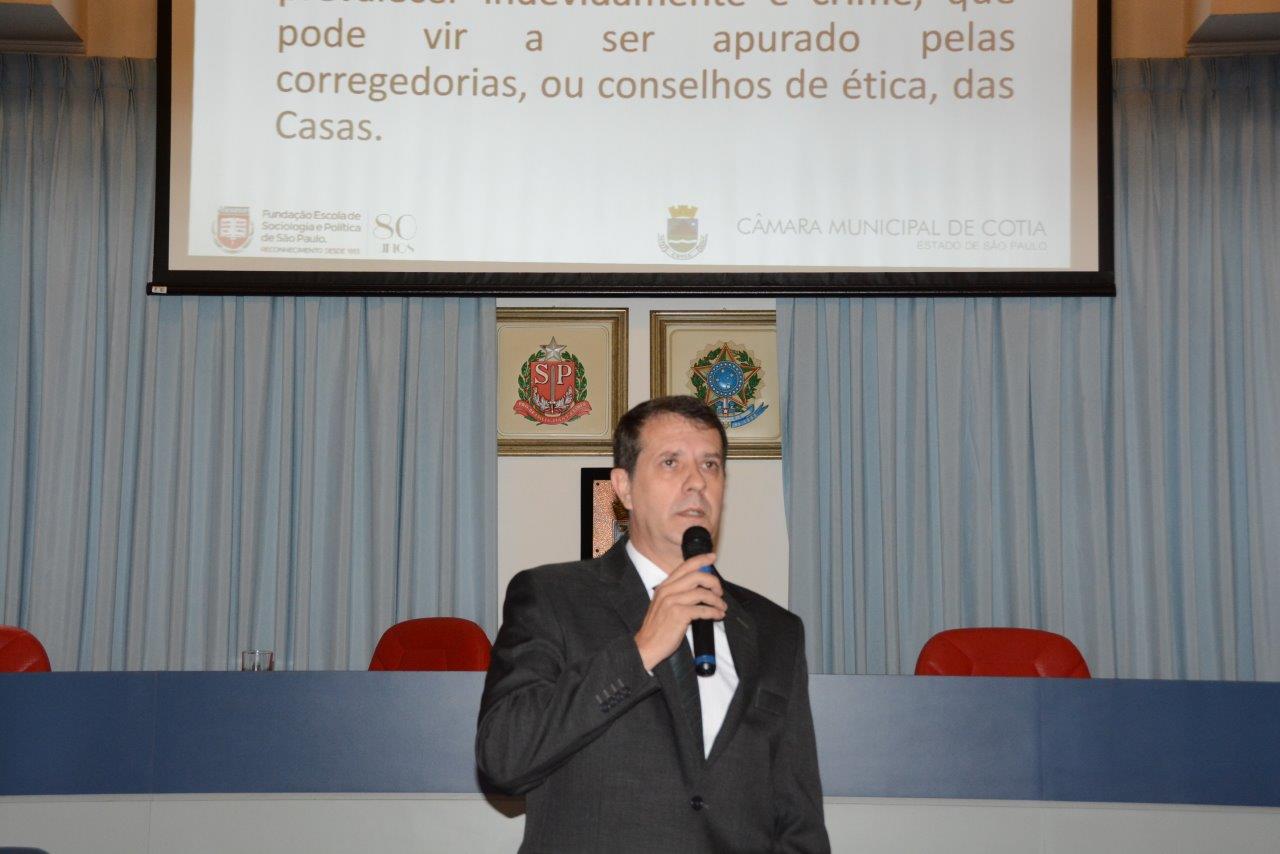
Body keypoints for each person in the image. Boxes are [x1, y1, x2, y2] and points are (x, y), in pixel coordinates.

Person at [476, 396, 830, 853]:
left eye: (710, 465)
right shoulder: (552, 597)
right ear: (623, 488)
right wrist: (640, 651)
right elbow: (504, 758)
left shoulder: (777, 630)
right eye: (670, 462)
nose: (696, 482)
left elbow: (800, 819)